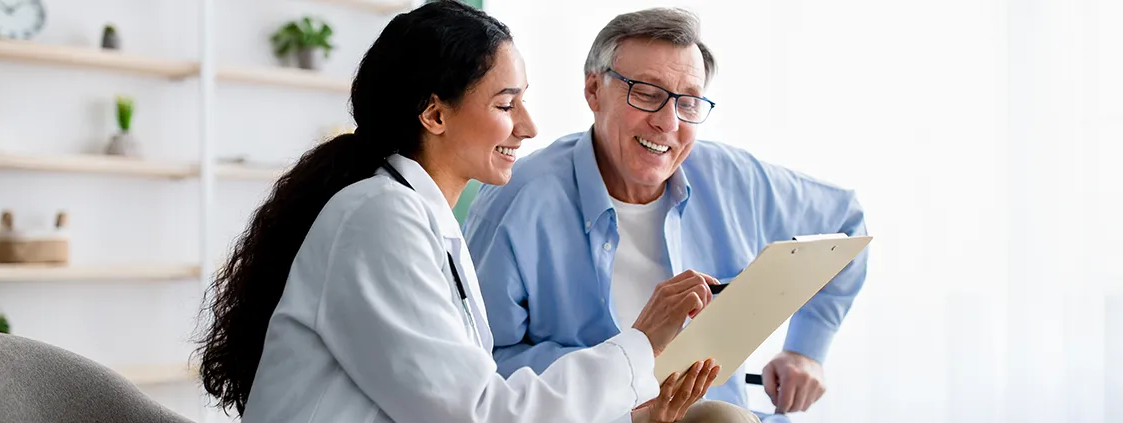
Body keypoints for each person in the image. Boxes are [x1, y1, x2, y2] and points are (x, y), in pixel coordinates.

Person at [191, 2, 745, 422]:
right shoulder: (377, 219)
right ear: (435, 114)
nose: (527, 127)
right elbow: (480, 414)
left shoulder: (418, 219)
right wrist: (642, 342)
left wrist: (633, 408)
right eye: (506, 105)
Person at [463, 7, 869, 423]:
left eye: (688, 102)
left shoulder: (735, 179)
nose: (667, 122)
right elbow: (483, 366)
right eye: (647, 93)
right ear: (593, 90)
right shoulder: (514, 202)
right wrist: (619, 378)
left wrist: (806, 351)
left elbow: (846, 224)